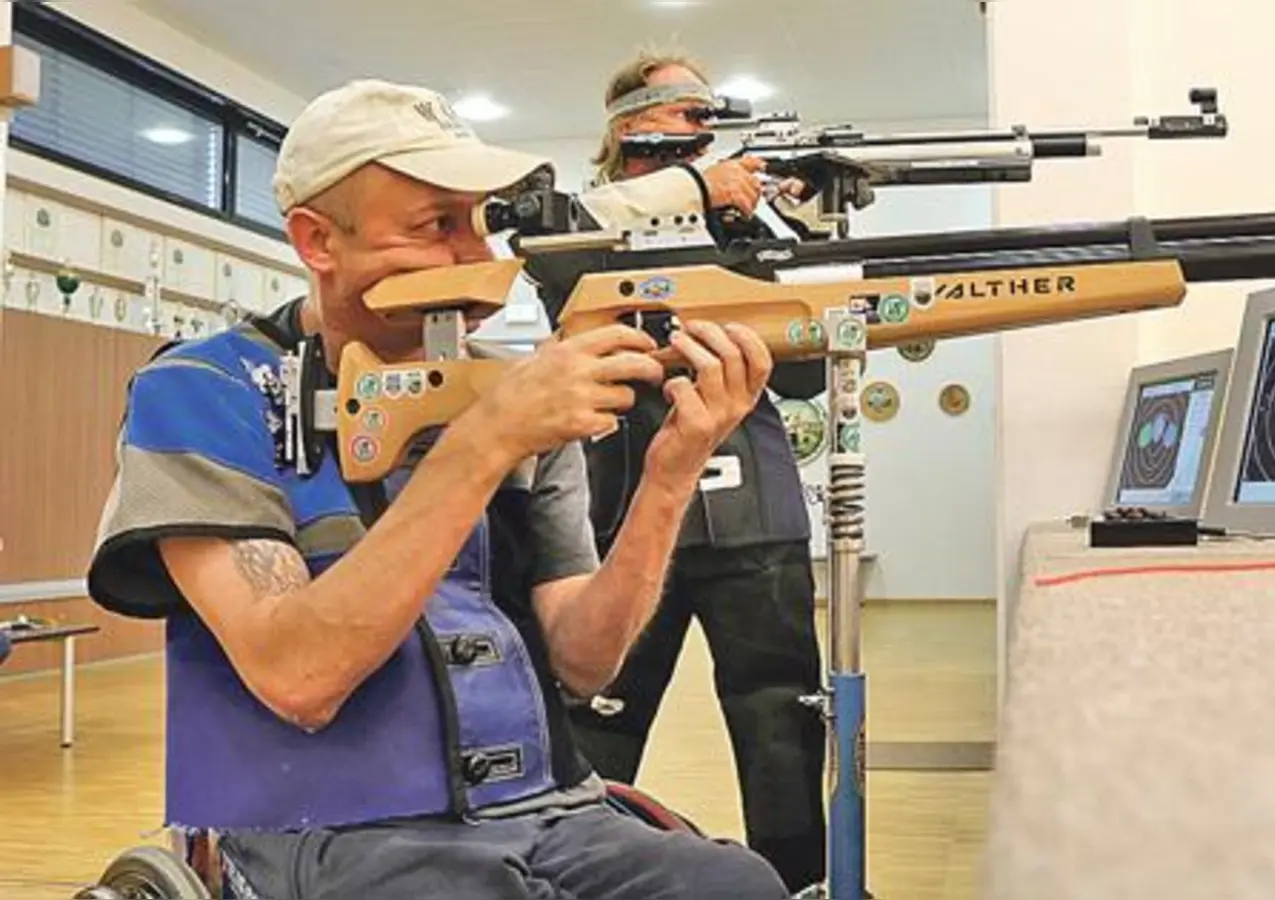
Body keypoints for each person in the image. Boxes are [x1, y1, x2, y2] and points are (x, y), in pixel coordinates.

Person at [83, 78, 791, 900]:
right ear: (317, 240)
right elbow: (298, 676)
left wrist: (671, 475)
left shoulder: (508, 388)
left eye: (479, 223)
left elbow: (585, 663)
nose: (479, 260)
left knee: (738, 885)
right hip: (325, 825)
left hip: (548, 806)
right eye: (434, 227)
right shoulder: (204, 391)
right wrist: (487, 440)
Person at [565, 49, 828, 894]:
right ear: (631, 126)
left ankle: (795, 885)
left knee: (780, 726)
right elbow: (568, 292)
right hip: (627, 513)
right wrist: (696, 192)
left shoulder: (739, 230)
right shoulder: (585, 218)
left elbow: (805, 374)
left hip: (753, 514)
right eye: (687, 114)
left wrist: (773, 232)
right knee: (595, 727)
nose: (705, 131)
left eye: (710, 117)